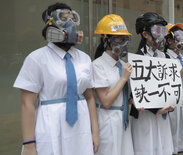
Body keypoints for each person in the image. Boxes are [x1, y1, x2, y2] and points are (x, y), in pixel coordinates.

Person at [13, 3, 99, 155]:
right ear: (50, 25)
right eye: (64, 19)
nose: (70, 24)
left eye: (73, 19)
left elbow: (90, 97)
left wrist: (95, 132)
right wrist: (29, 144)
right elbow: (27, 103)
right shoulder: (36, 58)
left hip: (81, 126)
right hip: (50, 125)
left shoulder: (85, 59)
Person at [130, 12, 174, 155]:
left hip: (164, 113)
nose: (161, 35)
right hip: (146, 115)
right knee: (147, 148)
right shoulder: (138, 58)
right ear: (145, 34)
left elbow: (171, 85)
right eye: (156, 31)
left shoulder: (165, 56)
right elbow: (135, 92)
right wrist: (156, 109)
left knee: (163, 147)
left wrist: (172, 103)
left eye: (163, 30)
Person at [92, 14, 134, 155]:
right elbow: (106, 101)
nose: (123, 43)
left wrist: (134, 101)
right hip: (107, 120)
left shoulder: (123, 64)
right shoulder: (97, 65)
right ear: (105, 40)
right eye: (118, 38)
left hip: (123, 121)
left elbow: (124, 95)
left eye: (125, 39)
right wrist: (123, 79)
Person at [164, 23, 183, 153]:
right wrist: (178, 75)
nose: (181, 39)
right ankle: (173, 147)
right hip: (172, 95)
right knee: (174, 122)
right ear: (169, 40)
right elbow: (162, 80)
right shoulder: (165, 58)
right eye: (178, 36)